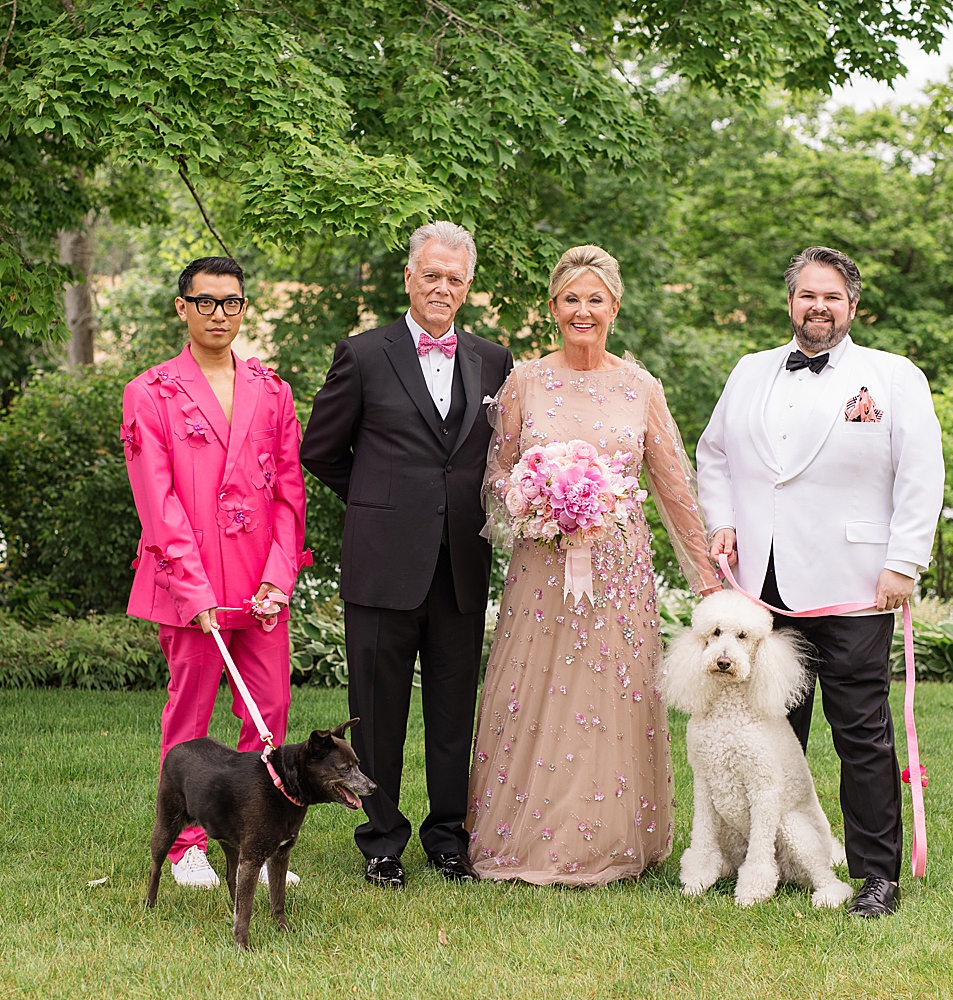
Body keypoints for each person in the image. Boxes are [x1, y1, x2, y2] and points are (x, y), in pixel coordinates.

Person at [696, 245, 944, 917]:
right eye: (808, 295)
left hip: (856, 583)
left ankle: (875, 876)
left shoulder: (892, 378)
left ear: (852, 306)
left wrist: (904, 561)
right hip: (763, 589)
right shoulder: (749, 372)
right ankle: (771, 857)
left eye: (832, 296)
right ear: (791, 302)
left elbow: (921, 473)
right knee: (771, 731)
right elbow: (714, 452)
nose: (819, 306)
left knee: (860, 731)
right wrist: (721, 519)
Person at [465, 245, 722, 885]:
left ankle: (612, 839)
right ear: (552, 308)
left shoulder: (641, 387)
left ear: (615, 306)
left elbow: (671, 486)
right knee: (538, 693)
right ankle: (523, 837)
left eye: (596, 299)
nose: (584, 310)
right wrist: (535, 496)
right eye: (571, 299)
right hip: (543, 565)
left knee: (611, 694)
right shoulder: (523, 381)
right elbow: (495, 475)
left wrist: (709, 576)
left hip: (619, 568)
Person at [301, 221, 514, 889]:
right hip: (382, 565)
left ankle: (449, 839)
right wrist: (379, 503)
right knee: (378, 715)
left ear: (468, 285)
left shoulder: (495, 360)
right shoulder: (363, 354)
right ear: (409, 279)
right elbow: (321, 451)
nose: (442, 287)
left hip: (460, 566)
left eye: (454, 278)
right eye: (432, 275)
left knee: (455, 716)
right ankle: (381, 842)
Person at [122, 256, 309, 890]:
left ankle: (258, 831)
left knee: (270, 711)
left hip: (260, 585)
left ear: (244, 308)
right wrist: (194, 590)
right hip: (189, 585)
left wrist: (279, 579)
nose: (218, 314)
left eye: (230, 302)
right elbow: (157, 499)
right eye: (205, 302)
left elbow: (289, 491)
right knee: (190, 716)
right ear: (182, 307)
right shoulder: (151, 392)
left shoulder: (273, 389)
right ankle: (187, 846)